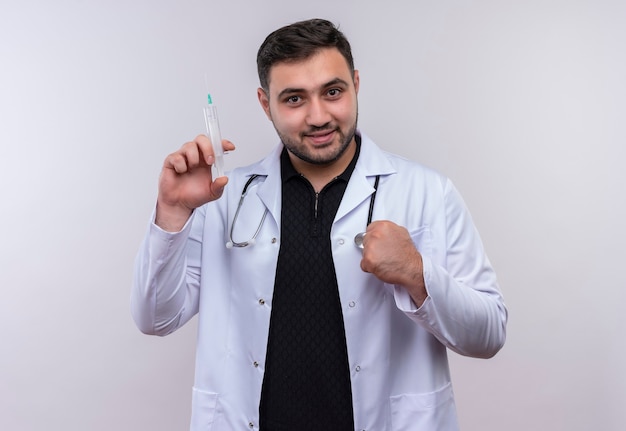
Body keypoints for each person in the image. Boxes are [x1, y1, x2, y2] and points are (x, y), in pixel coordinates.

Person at [131, 18, 507, 431]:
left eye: (332, 92)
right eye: (294, 99)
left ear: (356, 84)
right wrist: (171, 212)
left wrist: (418, 275)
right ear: (264, 103)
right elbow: (156, 318)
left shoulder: (428, 192)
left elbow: (488, 334)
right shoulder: (224, 198)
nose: (318, 116)